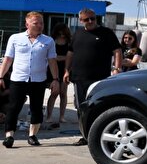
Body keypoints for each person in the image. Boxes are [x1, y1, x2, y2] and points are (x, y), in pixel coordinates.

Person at [0, 11, 61, 148]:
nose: (39, 26)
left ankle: (32, 135)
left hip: (38, 80)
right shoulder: (15, 38)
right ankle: (9, 136)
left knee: (36, 109)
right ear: (27, 24)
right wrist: (1, 76)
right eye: (36, 23)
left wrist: (55, 79)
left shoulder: (48, 41)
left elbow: (52, 61)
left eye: (41, 23)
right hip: (18, 79)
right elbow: (8, 59)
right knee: (13, 108)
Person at [64, 8, 121, 146]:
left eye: (93, 18)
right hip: (79, 78)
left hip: (100, 78)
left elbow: (117, 51)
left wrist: (117, 68)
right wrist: (66, 71)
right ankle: (84, 135)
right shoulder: (77, 34)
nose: (90, 21)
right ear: (80, 20)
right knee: (81, 108)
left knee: (98, 106)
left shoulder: (106, 33)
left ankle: (99, 133)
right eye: (86, 19)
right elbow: (70, 54)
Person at [44, 23, 71, 129]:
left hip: (65, 69)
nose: (61, 35)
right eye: (59, 33)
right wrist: (61, 58)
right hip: (53, 69)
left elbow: (71, 57)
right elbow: (50, 57)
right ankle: (49, 116)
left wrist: (67, 68)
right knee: (54, 92)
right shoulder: (51, 41)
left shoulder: (69, 43)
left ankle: (62, 116)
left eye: (63, 33)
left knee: (63, 93)